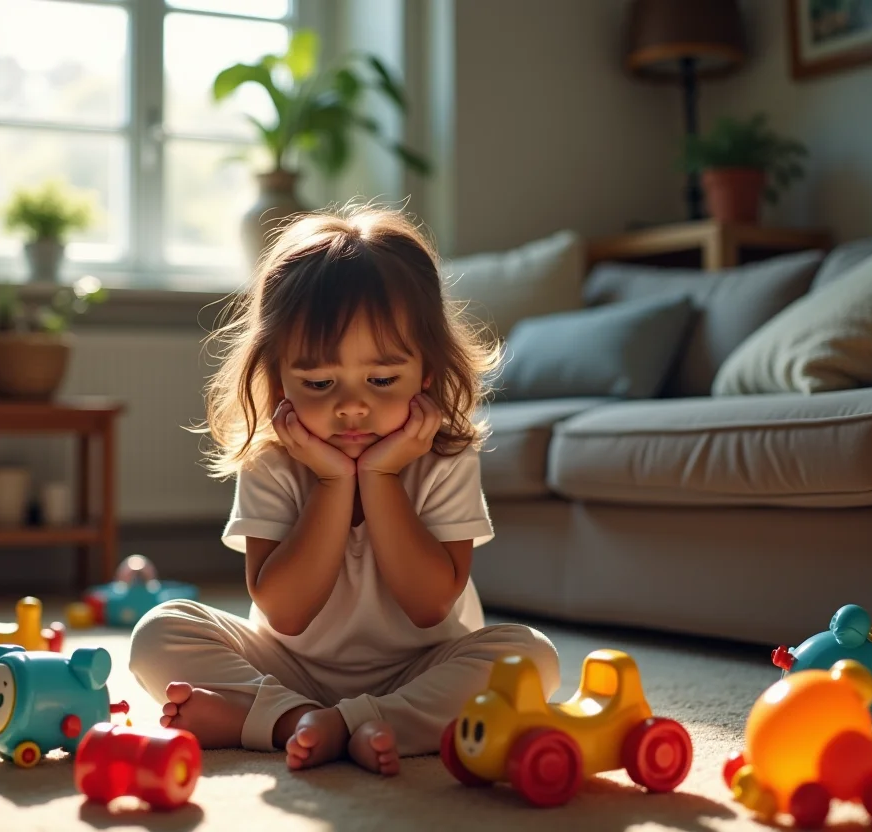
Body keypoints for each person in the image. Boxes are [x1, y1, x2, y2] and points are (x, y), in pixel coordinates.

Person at [127, 205, 560, 776]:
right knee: (157, 631)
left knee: (532, 659)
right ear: (278, 374)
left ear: (426, 371)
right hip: (290, 663)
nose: (351, 405)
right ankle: (298, 719)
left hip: (423, 665)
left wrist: (380, 477)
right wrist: (333, 482)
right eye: (319, 383)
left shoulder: (445, 454)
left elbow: (431, 608)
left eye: (382, 381)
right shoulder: (275, 455)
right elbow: (284, 612)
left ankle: (299, 721)